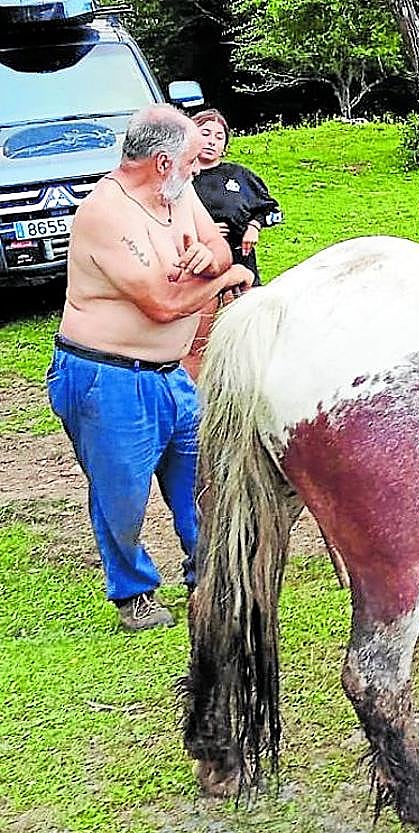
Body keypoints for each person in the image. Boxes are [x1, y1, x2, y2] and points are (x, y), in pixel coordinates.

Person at [48, 104, 252, 631]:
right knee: (123, 494)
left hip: (170, 374)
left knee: (199, 479)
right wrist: (227, 280)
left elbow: (217, 244)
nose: (196, 166)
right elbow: (162, 304)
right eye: (187, 157)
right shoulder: (106, 213)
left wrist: (212, 260)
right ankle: (133, 592)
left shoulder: (178, 195)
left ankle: (207, 573)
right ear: (162, 161)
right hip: (107, 377)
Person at [184, 108, 282, 377]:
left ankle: (246, 382)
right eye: (205, 134)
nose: (212, 141)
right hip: (196, 271)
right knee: (198, 340)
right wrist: (202, 232)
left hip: (240, 265)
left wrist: (254, 226)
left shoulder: (239, 176)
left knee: (245, 335)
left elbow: (273, 210)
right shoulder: (181, 178)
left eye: (219, 136)